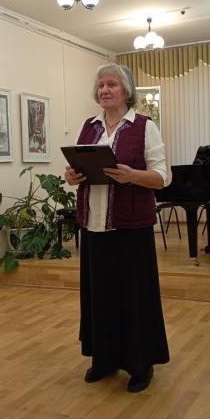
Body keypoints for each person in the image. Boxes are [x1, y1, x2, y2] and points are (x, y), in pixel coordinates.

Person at [64, 63, 170, 393]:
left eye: (111, 84)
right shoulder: (89, 126)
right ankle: (104, 359)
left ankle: (141, 364)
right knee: (101, 298)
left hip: (130, 228)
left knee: (133, 299)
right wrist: (71, 176)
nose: (105, 90)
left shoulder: (144, 127)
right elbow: (76, 169)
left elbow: (162, 177)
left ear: (126, 91)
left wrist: (132, 176)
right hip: (94, 226)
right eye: (101, 85)